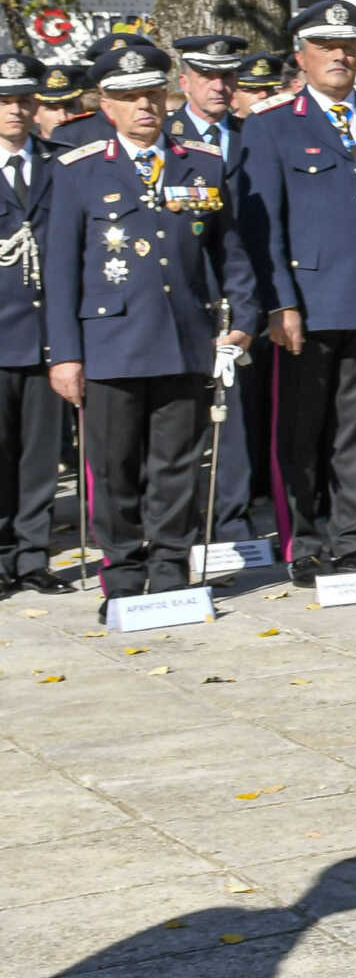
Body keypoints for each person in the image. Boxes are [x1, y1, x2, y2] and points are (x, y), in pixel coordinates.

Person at [43, 42, 259, 614]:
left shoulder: (201, 163)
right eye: (127, 97)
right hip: (110, 342)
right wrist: (64, 354)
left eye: (151, 95)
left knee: (177, 464)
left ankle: (168, 567)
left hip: (184, 338)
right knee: (114, 467)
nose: (144, 106)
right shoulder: (77, 170)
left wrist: (242, 319)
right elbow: (61, 272)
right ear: (104, 106)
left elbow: (231, 253)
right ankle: (122, 571)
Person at [238, 0, 356, 584]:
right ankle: (304, 539)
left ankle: (353, 538)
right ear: (302, 56)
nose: (340, 56)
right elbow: (262, 223)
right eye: (326, 47)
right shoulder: (271, 122)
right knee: (300, 430)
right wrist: (280, 302)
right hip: (307, 305)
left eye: (349, 47)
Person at [169, 34, 261, 544]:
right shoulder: (167, 137)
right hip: (188, 297)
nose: (220, 86)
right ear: (186, 82)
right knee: (183, 422)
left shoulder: (255, 135)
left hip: (247, 296)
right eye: (208, 76)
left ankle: (233, 521)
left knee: (241, 421)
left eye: (228, 77)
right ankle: (180, 523)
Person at [0, 56, 66, 598]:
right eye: (5, 101)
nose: (17, 110)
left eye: (24, 99)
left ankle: (33, 557)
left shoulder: (61, 163)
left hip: (48, 333)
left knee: (42, 456)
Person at [33, 63, 86, 140]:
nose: (63, 117)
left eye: (69, 106)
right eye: (52, 109)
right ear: (35, 114)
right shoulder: (29, 151)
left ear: (82, 109)